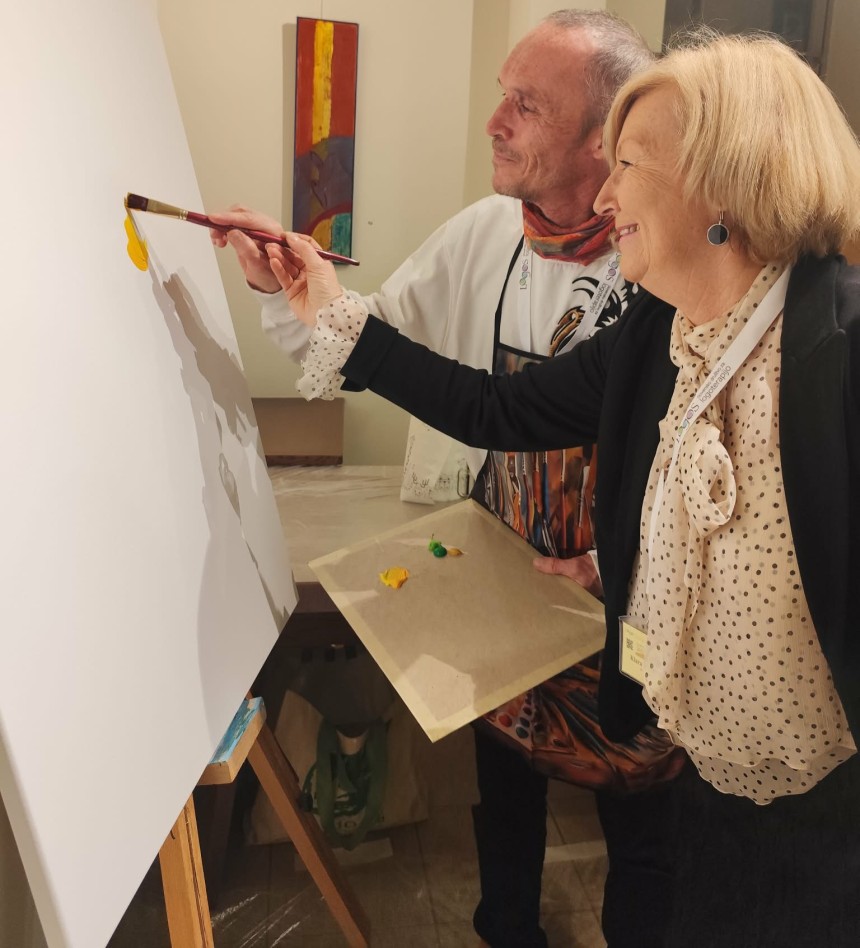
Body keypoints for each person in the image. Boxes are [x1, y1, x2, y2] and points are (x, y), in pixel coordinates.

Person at [269, 28, 860, 947]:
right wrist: (327, 311)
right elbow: (497, 409)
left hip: (821, 814)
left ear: (725, 180)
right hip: (700, 765)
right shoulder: (660, 331)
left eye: (629, 164)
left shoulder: (839, 349)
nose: (608, 194)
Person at [214, 12, 678, 948]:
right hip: (500, 579)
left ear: (604, 139)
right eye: (500, 94)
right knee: (502, 791)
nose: (494, 122)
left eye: (526, 105)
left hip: (630, 606)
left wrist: (624, 561)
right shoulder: (483, 235)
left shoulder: (668, 266)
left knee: (643, 822)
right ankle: (507, 930)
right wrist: (280, 287)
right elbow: (366, 343)